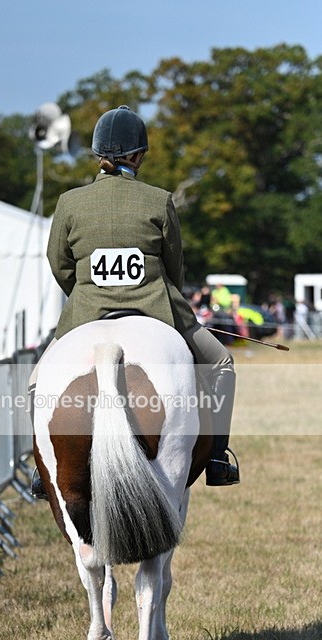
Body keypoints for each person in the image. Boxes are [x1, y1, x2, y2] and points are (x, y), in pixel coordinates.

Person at [30, 105, 239, 496]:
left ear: (96, 154)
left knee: (37, 380)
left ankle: (42, 466)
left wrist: (85, 295)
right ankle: (217, 457)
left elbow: (59, 265)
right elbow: (175, 269)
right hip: (157, 309)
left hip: (86, 312)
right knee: (222, 363)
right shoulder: (159, 200)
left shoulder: (69, 202)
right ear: (139, 154)